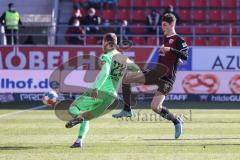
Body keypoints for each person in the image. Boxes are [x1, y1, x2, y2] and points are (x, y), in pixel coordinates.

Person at [112, 13, 188, 139]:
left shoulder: (179, 39)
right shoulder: (165, 39)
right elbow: (169, 58)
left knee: (155, 107)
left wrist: (171, 51)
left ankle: (176, 121)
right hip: (156, 73)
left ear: (172, 24)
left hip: (167, 78)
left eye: (165, 25)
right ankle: (127, 109)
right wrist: (171, 57)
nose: (162, 27)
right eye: (162, 25)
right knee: (126, 78)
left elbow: (185, 56)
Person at [64, 33, 140, 148]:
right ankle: (79, 141)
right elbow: (136, 69)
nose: (102, 45)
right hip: (111, 97)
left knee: (73, 107)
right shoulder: (122, 58)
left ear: (108, 43)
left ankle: (78, 118)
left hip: (101, 91)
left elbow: (105, 73)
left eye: (103, 42)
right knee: (87, 116)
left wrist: (95, 88)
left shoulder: (106, 56)